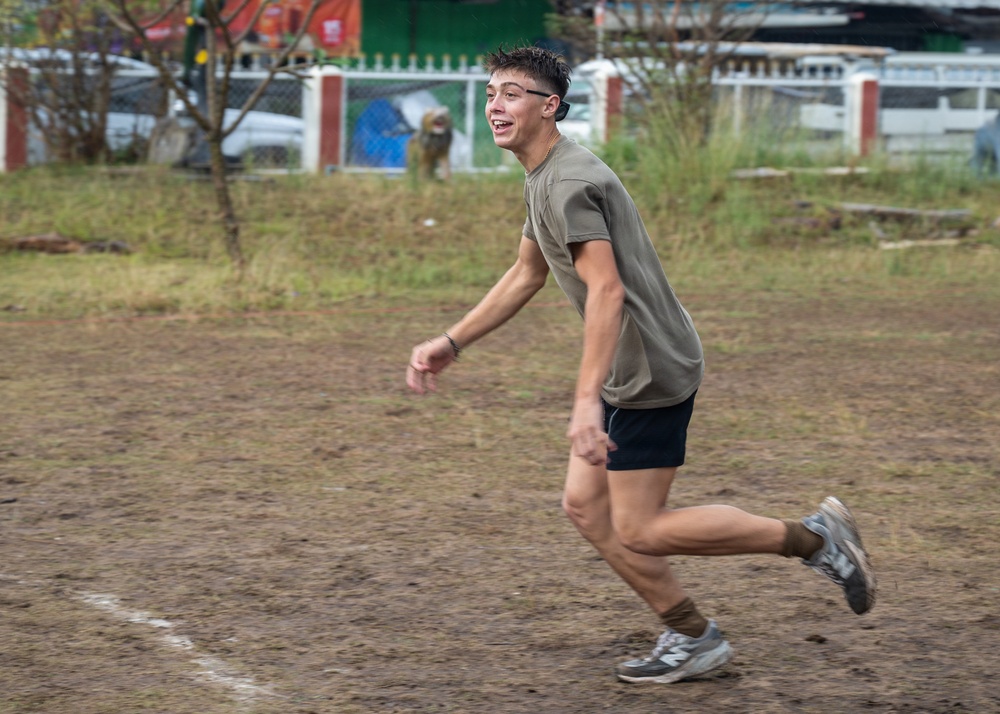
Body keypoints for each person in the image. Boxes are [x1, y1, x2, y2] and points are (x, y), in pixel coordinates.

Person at [405, 45, 876, 684]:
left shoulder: (567, 182)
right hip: (626, 365)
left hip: (649, 369)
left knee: (642, 528)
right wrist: (452, 341)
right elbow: (526, 272)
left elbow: (607, 290)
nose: (495, 106)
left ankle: (815, 539)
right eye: (491, 94)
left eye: (512, 94)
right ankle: (693, 635)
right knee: (585, 507)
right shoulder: (546, 174)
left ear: (549, 107)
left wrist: (584, 403)